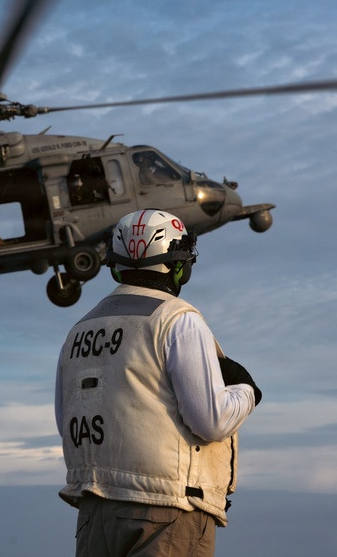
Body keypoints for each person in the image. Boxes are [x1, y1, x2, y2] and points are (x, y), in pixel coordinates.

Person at [54, 209, 261, 557]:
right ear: (178, 264)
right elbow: (211, 421)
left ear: (116, 263)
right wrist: (246, 391)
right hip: (165, 511)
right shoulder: (179, 321)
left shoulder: (80, 330)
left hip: (95, 511)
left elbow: (67, 420)